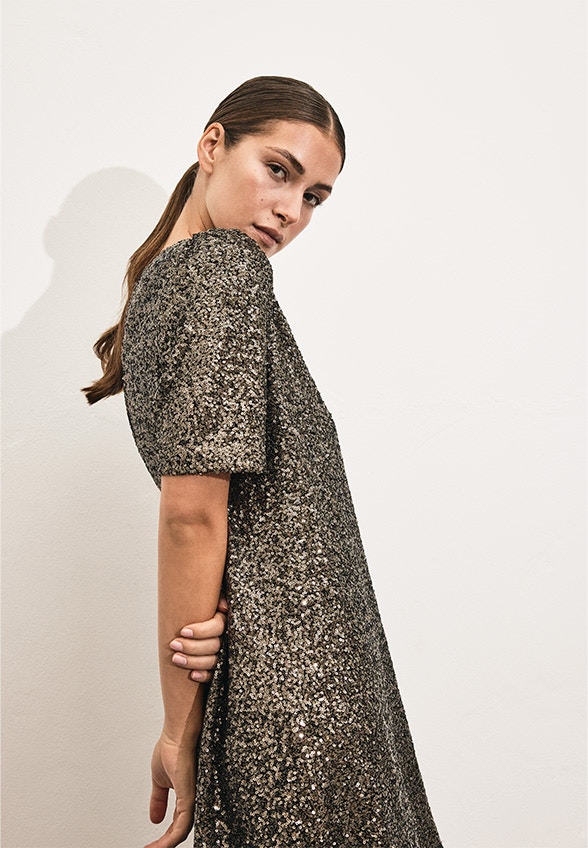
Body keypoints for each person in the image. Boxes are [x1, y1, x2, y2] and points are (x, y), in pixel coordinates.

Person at [83, 76, 443, 848]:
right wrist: (177, 730)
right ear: (213, 145)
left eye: (314, 197)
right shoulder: (220, 272)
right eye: (278, 171)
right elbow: (190, 515)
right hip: (299, 694)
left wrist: (227, 612)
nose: (290, 210)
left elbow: (230, 516)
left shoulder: (167, 283)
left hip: (284, 681)